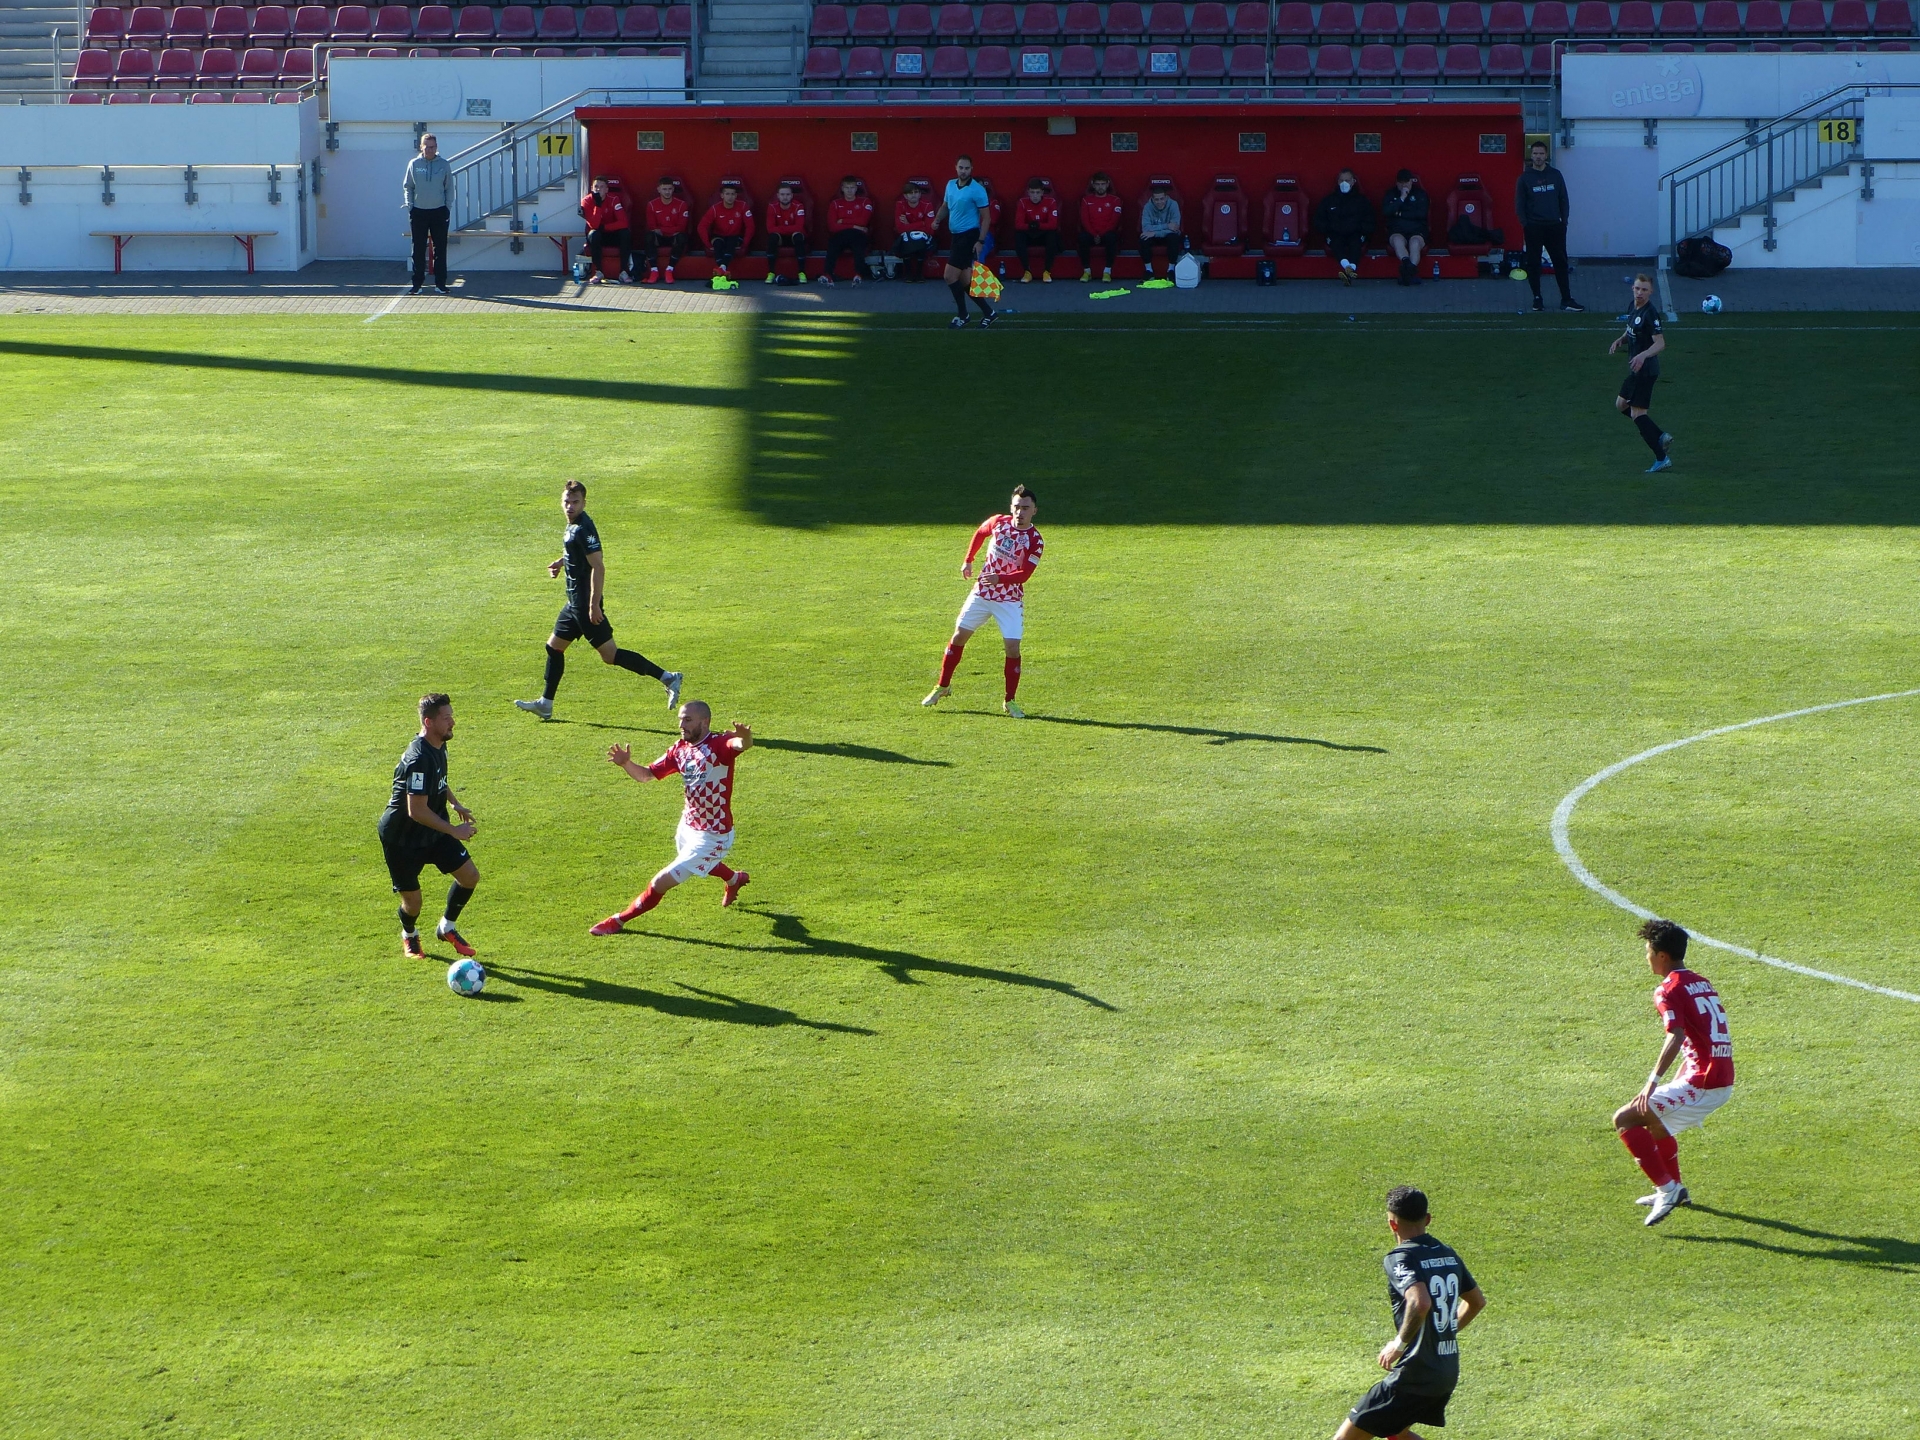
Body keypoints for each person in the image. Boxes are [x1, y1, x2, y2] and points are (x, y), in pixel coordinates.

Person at [515, 480, 682, 720]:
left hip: (584, 606)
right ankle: (546, 703)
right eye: (566, 502)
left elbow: (598, 567)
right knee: (554, 647)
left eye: (575, 502)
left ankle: (668, 678)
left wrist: (593, 605)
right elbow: (576, 553)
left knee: (610, 656)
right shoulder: (572, 525)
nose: (570, 506)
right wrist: (561, 562)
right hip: (573, 605)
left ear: (584, 503)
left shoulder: (584, 528)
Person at [1331, 1186, 1486, 1440]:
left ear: (1392, 1224)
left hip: (1416, 1375)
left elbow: (1420, 1302)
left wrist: (1399, 1345)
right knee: (1398, 1434)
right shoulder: (1448, 1255)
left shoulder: (1401, 1257)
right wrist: (1444, 1330)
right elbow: (1476, 1302)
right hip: (1445, 1371)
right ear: (1427, 1219)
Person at [590, 702, 753, 933]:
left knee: (660, 882)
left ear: (704, 722)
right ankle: (734, 879)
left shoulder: (718, 745)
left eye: (687, 720)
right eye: (680, 719)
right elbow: (647, 775)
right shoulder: (680, 750)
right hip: (688, 824)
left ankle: (618, 920)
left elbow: (739, 744)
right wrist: (626, 763)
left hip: (714, 835)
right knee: (695, 861)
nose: (681, 725)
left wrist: (746, 737)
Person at [1613, 918, 1734, 1226]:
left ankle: (1667, 1189)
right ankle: (1677, 1189)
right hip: (1716, 1073)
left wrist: (1651, 1083)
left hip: (1705, 1083)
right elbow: (1702, 1033)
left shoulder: (1667, 990)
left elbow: (1677, 1034)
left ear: (1662, 955)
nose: (1647, 957)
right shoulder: (1701, 981)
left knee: (1626, 1118)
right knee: (1654, 1122)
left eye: (1648, 951)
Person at [922, 485, 1043, 718]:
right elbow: (980, 532)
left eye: (1025, 508)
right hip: (982, 594)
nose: (1020, 512)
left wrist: (1000, 578)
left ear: (1034, 511)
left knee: (1012, 648)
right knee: (959, 636)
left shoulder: (1035, 541)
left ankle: (1010, 701)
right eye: (1017, 507)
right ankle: (943, 686)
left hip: (1009, 600)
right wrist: (968, 560)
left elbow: (1025, 575)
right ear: (1011, 507)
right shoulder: (998, 522)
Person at [378, 693, 481, 960]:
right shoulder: (418, 759)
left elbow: (439, 780)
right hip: (403, 838)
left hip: (432, 830)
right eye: (447, 718)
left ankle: (447, 927)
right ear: (429, 721)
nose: (453, 723)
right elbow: (416, 810)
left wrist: (455, 803)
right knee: (413, 904)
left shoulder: (438, 744)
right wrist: (454, 831)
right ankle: (409, 935)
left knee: (469, 876)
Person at [1610, 273, 1672, 473]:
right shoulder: (1633, 306)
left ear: (1651, 292)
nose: (1640, 292)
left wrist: (1643, 356)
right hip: (1635, 369)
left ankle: (1661, 457)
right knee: (1621, 404)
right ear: (1632, 289)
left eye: (1644, 289)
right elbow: (1631, 331)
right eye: (1637, 288)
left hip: (1645, 371)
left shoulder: (1650, 314)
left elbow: (1660, 343)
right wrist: (1621, 339)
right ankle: (1658, 434)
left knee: (1637, 414)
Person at [1515, 141, 1584, 313]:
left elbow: (1563, 199)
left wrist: (1564, 221)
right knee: (1533, 263)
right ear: (1531, 156)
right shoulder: (1524, 178)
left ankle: (1566, 299)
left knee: (1560, 262)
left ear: (1547, 156)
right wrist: (1526, 224)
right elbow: (1519, 204)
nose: (1538, 157)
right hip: (1534, 227)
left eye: (1541, 153)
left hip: (1555, 226)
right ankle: (1537, 299)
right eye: (1535, 153)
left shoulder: (1555, 175)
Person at [931, 155, 996, 329]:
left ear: (971, 169)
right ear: (956, 167)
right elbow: (946, 206)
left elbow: (986, 218)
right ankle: (989, 312)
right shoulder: (950, 185)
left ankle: (963, 315)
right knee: (965, 280)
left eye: (967, 168)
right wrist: (937, 220)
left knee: (949, 276)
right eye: (961, 167)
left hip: (968, 236)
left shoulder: (977, 190)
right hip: (956, 236)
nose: (963, 171)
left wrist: (980, 241)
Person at [402, 132, 451, 296]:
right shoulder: (414, 164)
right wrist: (411, 206)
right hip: (419, 212)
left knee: (440, 249)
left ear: (436, 147)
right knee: (418, 248)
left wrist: (447, 208)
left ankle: (441, 284)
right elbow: (408, 186)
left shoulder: (444, 164)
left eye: (433, 147)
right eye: (427, 147)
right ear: (421, 147)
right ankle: (417, 284)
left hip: (438, 211)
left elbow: (449, 187)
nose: (430, 150)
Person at [1316, 168, 1373, 285]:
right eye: (1341, 180)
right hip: (1335, 233)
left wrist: (1361, 229)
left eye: (1347, 180)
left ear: (1353, 182)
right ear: (1337, 182)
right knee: (1336, 243)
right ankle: (1350, 269)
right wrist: (1329, 229)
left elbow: (1370, 221)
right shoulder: (1329, 201)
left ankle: (1347, 270)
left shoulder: (1362, 201)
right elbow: (1319, 221)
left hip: (1355, 233)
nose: (1344, 183)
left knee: (1356, 244)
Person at [577, 175, 632, 285]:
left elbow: (623, 222)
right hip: (597, 236)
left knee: (625, 233)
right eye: (596, 186)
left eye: (602, 187)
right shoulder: (586, 201)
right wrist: (598, 205)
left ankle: (623, 272)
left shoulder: (614, 200)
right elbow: (594, 225)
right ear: (592, 188)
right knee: (594, 234)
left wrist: (605, 227)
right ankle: (598, 272)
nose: (598, 189)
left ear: (607, 190)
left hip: (611, 234)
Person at [823, 176, 875, 286]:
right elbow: (832, 226)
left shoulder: (866, 202)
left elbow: (863, 222)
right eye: (847, 187)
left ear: (856, 188)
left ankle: (858, 274)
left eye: (852, 187)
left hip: (858, 234)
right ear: (842, 188)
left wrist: (842, 221)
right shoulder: (835, 203)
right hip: (841, 234)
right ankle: (828, 275)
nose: (849, 190)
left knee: (858, 242)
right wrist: (854, 225)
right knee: (833, 243)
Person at [1382, 169, 1429, 285]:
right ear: (1397, 183)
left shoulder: (1420, 194)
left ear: (1411, 181)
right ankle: (1409, 268)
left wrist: (1400, 213)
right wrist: (1402, 198)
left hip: (1417, 230)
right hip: (1397, 229)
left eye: (1406, 182)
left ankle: (1407, 272)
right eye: (1401, 182)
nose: (1404, 185)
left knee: (1415, 242)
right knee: (1397, 240)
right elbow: (1387, 212)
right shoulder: (1390, 194)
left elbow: (1421, 214)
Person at [698, 182, 755, 279]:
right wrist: (708, 244)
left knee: (731, 242)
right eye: (727, 194)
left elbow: (751, 226)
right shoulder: (715, 209)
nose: (730, 197)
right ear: (722, 195)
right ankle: (723, 268)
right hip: (719, 235)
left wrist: (745, 243)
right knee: (718, 243)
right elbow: (701, 226)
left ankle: (721, 269)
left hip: (735, 236)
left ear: (736, 196)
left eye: (732, 194)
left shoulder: (743, 206)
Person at [642, 176, 691, 284]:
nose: (667, 192)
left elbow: (682, 227)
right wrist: (670, 230)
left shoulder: (682, 205)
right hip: (660, 238)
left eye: (669, 189)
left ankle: (669, 269)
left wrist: (662, 229)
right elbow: (652, 226)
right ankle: (654, 271)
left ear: (673, 189)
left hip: (674, 237)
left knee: (682, 237)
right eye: (664, 189)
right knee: (649, 236)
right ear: (658, 189)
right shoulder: (651, 205)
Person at [1013, 178, 1061, 283]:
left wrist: (1038, 225)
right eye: (1032, 192)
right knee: (1019, 235)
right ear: (1028, 192)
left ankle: (1047, 271)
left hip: (1043, 234)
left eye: (1038, 192)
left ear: (1042, 192)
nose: (1035, 196)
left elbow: (1053, 224)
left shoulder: (1051, 202)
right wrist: (1030, 226)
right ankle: (1027, 271)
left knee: (1052, 235)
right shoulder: (1022, 202)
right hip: (1030, 234)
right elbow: (1018, 224)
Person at [1078, 172, 1123, 284]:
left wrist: (1101, 234)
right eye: (1097, 184)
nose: (1100, 187)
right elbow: (1084, 220)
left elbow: (1114, 221)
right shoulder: (1086, 200)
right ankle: (1087, 271)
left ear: (1107, 184)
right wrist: (1094, 234)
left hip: (1107, 233)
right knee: (1082, 238)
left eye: (1102, 184)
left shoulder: (1115, 200)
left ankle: (1107, 271)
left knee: (1111, 238)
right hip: (1091, 232)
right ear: (1093, 185)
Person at [762, 181, 809, 284]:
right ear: (778, 196)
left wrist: (780, 228)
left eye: (788, 194)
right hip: (780, 238)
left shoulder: (798, 206)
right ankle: (771, 272)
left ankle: (801, 272)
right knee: (772, 237)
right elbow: (770, 228)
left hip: (794, 237)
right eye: (782, 194)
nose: (785, 197)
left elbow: (799, 226)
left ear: (792, 195)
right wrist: (788, 228)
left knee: (798, 236)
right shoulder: (772, 207)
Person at [889, 179, 936, 281]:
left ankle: (919, 273)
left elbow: (930, 229)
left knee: (920, 236)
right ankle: (909, 273)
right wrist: (921, 223)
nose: (913, 195)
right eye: (910, 193)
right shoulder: (900, 205)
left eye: (916, 192)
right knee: (907, 237)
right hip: (906, 237)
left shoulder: (927, 205)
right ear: (905, 196)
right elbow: (900, 228)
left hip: (924, 237)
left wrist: (909, 224)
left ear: (920, 194)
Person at [1137, 181, 1184, 278]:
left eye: (1162, 199)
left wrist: (1154, 232)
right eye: (1156, 199)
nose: (1159, 202)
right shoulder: (1147, 207)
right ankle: (1149, 271)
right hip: (1155, 235)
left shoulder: (1173, 205)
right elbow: (1146, 228)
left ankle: (1171, 270)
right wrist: (1166, 226)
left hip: (1167, 236)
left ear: (1166, 197)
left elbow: (1175, 228)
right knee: (1143, 239)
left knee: (1174, 237)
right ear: (1152, 199)